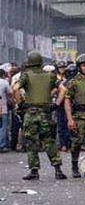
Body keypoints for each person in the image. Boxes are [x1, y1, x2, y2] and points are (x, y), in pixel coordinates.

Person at [12, 51, 67, 181]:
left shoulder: (26, 76)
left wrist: (20, 104)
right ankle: (58, 169)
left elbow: (15, 89)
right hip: (45, 113)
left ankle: (34, 171)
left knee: (31, 142)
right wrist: (56, 104)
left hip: (30, 112)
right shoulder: (51, 75)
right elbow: (63, 90)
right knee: (49, 141)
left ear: (29, 63)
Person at [0, 68, 12, 152]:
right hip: (3, 108)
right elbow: (10, 93)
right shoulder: (4, 82)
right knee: (3, 127)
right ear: (3, 75)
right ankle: (2, 145)